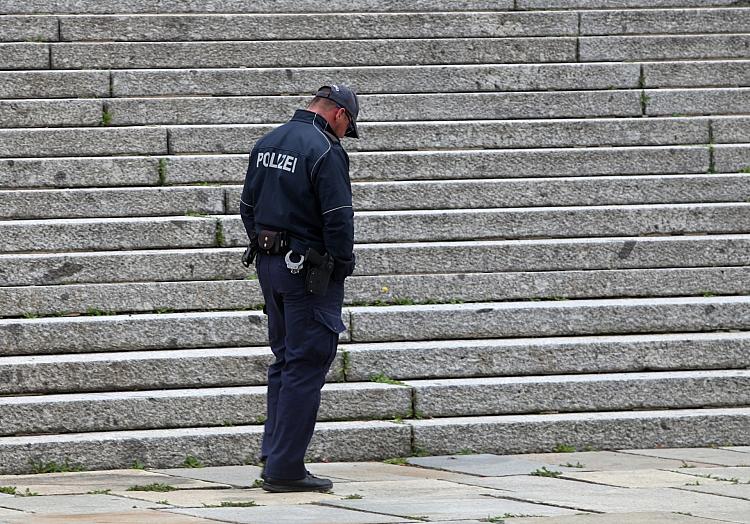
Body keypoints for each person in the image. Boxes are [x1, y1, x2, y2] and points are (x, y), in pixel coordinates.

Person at [239, 84, 359, 493]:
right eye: (348, 127)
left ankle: (275, 455)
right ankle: (286, 468)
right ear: (339, 115)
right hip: (308, 273)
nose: (345, 134)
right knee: (307, 364)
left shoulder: (268, 141)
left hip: (271, 265)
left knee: (286, 360)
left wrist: (264, 243)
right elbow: (338, 216)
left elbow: (247, 207)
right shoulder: (324, 148)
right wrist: (340, 266)